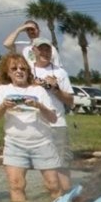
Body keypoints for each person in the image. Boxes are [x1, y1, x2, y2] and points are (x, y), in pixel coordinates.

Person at [0, 53, 62, 202]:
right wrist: (3, 105)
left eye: (23, 68)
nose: (19, 71)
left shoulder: (38, 91)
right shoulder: (3, 90)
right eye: (14, 68)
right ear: (8, 73)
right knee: (16, 185)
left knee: (53, 185)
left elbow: (53, 118)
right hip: (14, 144)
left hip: (42, 143)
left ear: (28, 72)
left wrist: (39, 105)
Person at [30, 37, 75, 193]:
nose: (45, 52)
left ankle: (67, 198)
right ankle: (50, 201)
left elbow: (70, 100)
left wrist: (55, 89)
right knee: (45, 167)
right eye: (41, 49)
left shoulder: (60, 72)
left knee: (62, 164)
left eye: (47, 49)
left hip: (58, 123)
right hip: (35, 124)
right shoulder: (26, 71)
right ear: (34, 50)